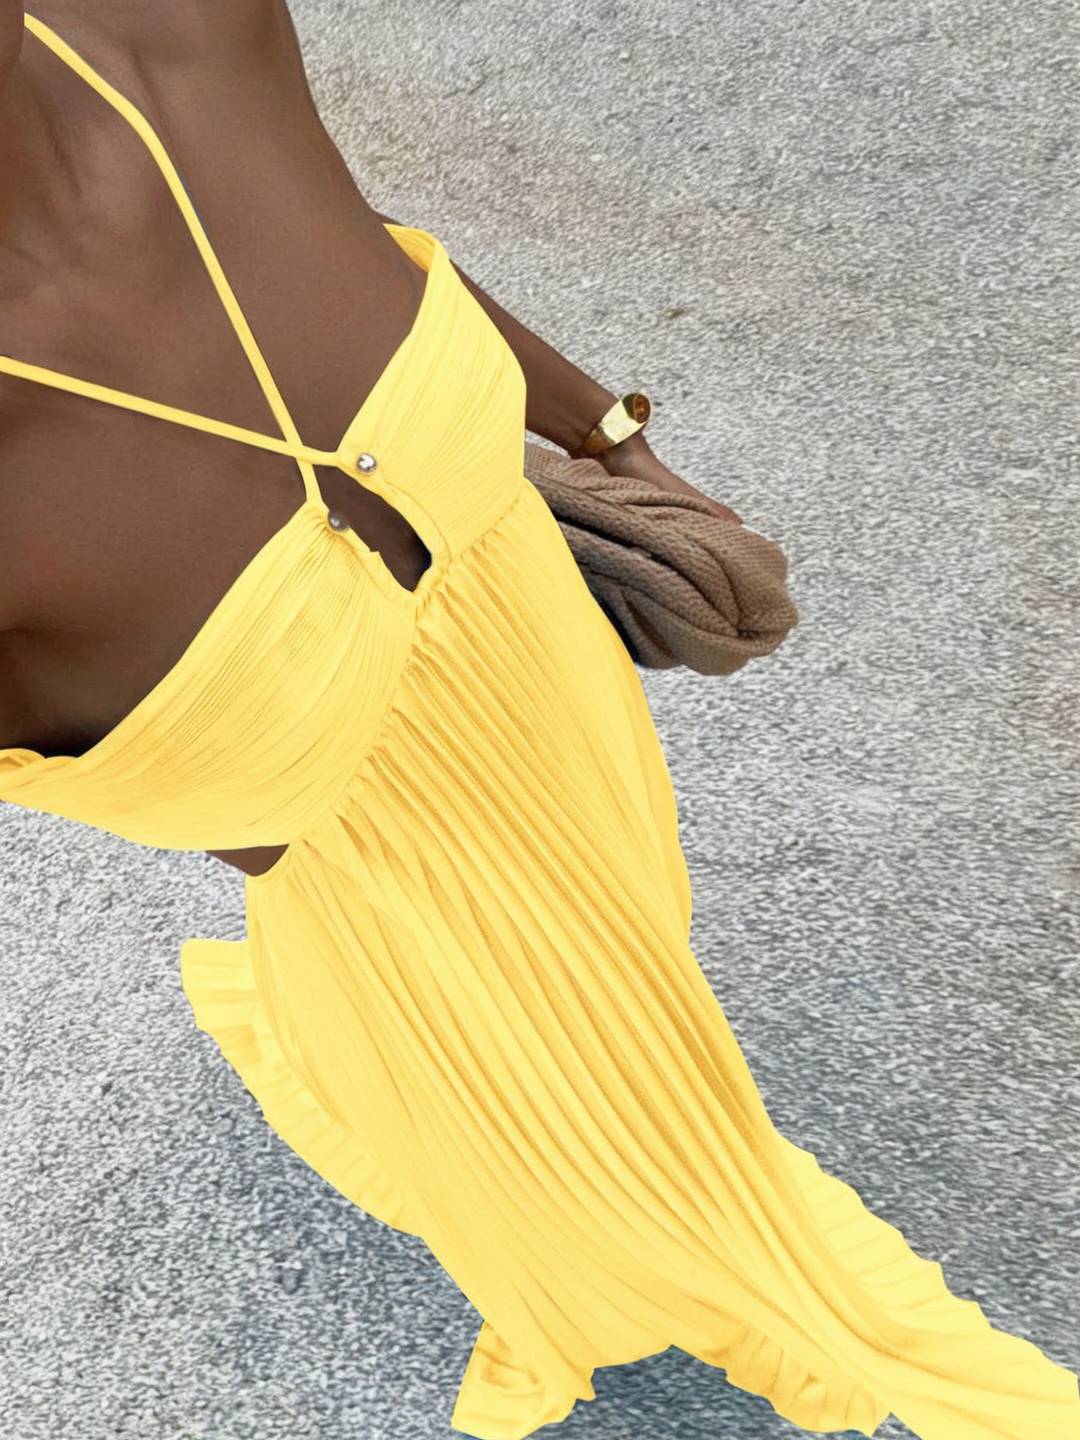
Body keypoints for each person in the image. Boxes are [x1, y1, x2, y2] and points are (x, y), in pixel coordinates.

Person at [0, 7, 1077, 1439]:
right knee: (629, 1177)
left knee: (637, 937)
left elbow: (357, 238)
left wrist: (607, 436)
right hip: (391, 909)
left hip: (557, 702)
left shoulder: (168, 20)